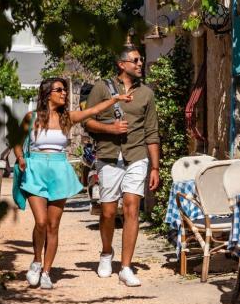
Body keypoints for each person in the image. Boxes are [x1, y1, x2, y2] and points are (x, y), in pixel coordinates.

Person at [14, 78, 133, 289]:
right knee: (41, 222)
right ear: (47, 93)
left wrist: (115, 98)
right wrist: (21, 158)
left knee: (53, 225)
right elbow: (16, 142)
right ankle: (36, 262)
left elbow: (93, 110)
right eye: (59, 90)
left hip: (59, 170)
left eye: (65, 90)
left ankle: (47, 272)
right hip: (35, 170)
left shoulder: (67, 119)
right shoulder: (31, 118)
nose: (64, 94)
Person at [83, 44, 161, 287]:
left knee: (131, 208)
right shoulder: (101, 88)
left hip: (137, 155)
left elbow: (152, 132)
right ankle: (106, 253)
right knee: (107, 212)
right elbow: (87, 122)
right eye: (136, 60)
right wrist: (110, 129)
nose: (140, 64)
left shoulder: (146, 94)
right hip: (108, 155)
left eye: (141, 60)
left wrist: (155, 167)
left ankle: (126, 267)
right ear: (122, 64)